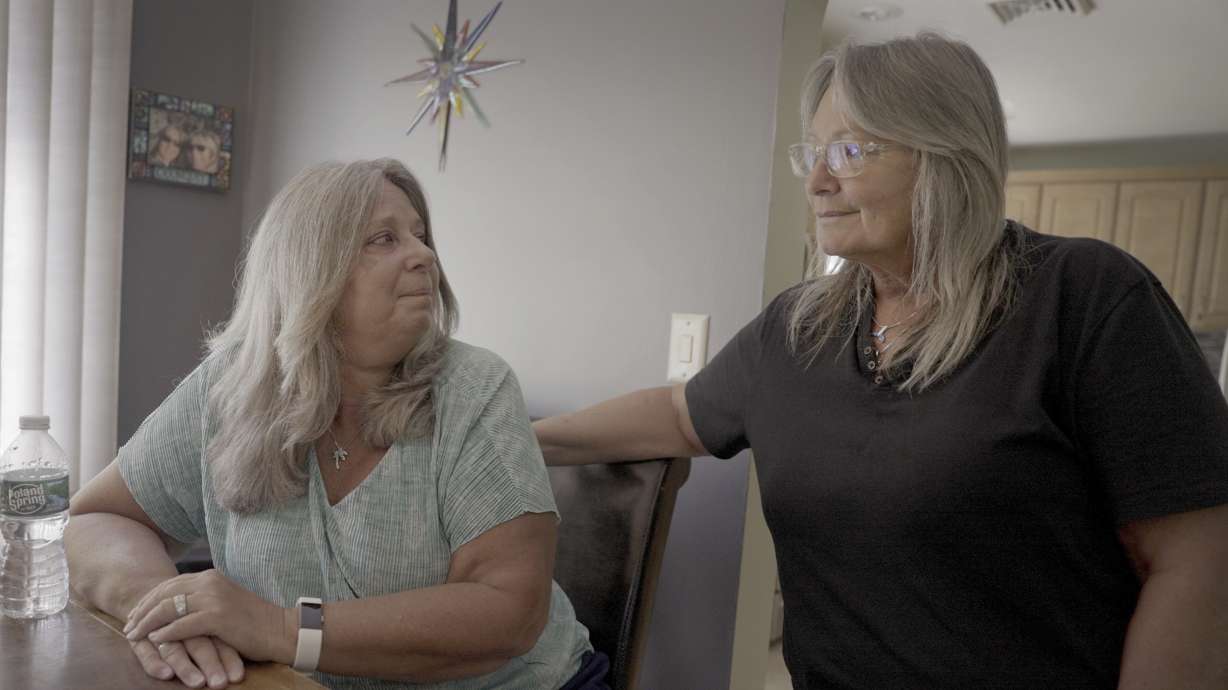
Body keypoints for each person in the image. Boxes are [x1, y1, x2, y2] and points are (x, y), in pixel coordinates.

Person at [533, 33, 1228, 689]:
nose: (818, 184)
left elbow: (1198, 559)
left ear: (945, 156)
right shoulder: (798, 327)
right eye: (815, 155)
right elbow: (680, 414)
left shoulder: (1083, 294)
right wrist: (519, 442)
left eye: (852, 151)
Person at [67, 158, 608, 690]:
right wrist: (162, 611)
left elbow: (508, 612)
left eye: (420, 236)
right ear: (309, 268)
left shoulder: (475, 389)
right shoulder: (228, 388)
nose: (423, 254)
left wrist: (279, 629)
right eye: (383, 239)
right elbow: (97, 519)